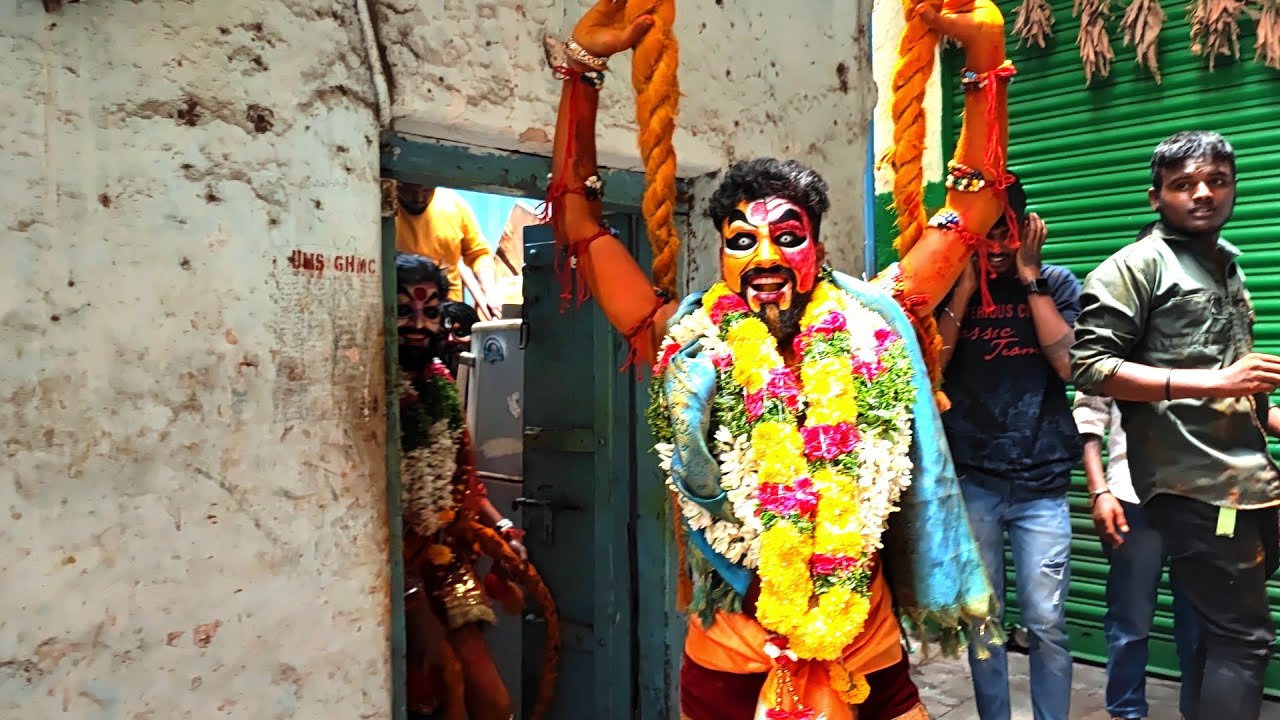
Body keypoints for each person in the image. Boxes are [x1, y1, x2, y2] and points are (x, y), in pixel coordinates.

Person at [542, 1, 1018, 717]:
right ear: (723, 255)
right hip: (732, 655)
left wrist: (985, 57)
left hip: (864, 645)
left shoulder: (875, 322)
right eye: (742, 242)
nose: (764, 257)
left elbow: (973, 210)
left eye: (787, 237)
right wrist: (581, 74)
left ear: (818, 248)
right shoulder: (687, 340)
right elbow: (579, 226)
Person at [1071, 130, 1280, 720]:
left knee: (1219, 633)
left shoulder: (1226, 265)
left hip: (1247, 478)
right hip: (1195, 485)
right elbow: (1090, 367)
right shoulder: (1134, 267)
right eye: (1184, 184)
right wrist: (1216, 382)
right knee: (1243, 641)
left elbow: (1236, 392)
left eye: (1217, 180)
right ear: (1156, 196)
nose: (1203, 193)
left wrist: (1263, 415)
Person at [935, 182, 1081, 720]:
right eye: (985, 236)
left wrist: (1031, 278)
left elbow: (1068, 365)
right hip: (973, 480)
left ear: (1026, 230)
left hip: (1041, 483)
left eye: (1006, 234)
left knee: (1047, 622)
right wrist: (963, 290)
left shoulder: (1056, 283)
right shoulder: (949, 288)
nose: (996, 248)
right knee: (983, 620)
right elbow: (933, 368)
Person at [395, 254, 550, 720]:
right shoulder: (374, 393)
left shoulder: (441, 387)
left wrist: (502, 530)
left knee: (491, 699)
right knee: (441, 686)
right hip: (393, 576)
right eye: (403, 311)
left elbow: (468, 486)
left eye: (430, 312)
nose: (419, 325)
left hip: (447, 563)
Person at [1074, 387, 1201, 720]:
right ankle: (1126, 710)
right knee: (1130, 618)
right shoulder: (1115, 350)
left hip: (1201, 497)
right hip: (1132, 495)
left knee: (1199, 621)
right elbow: (1088, 413)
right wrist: (1098, 490)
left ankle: (1197, 710)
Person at [396, 183, 504, 320]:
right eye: (410, 190)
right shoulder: (380, 209)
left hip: (449, 312)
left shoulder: (453, 205)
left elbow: (479, 254)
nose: (419, 198)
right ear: (396, 184)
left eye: (426, 190)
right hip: (401, 314)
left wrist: (489, 291)